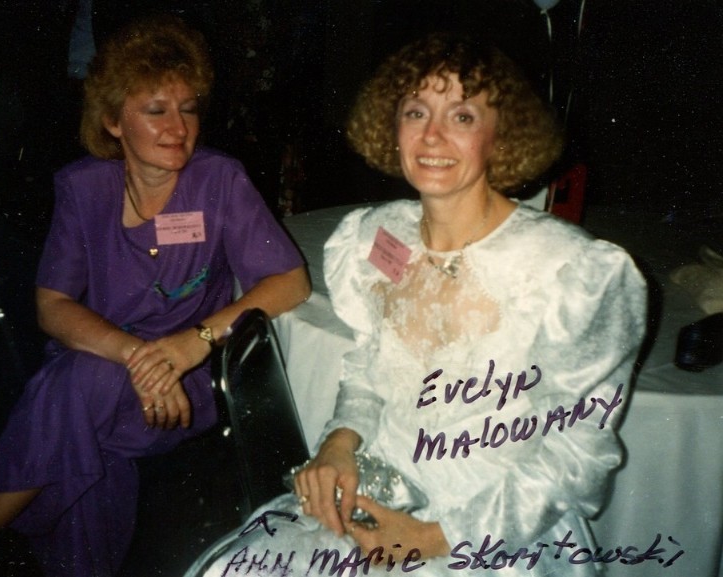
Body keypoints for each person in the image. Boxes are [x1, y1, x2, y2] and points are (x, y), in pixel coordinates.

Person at [191, 33, 646, 577]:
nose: (431, 135)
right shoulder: (375, 235)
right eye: (416, 112)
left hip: (495, 528)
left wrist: (431, 538)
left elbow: (577, 458)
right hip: (380, 488)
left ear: (501, 135)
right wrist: (340, 442)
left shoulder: (570, 271)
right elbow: (371, 372)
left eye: (462, 116)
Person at [0, 14, 310, 577]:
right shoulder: (83, 189)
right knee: (89, 414)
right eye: (156, 111)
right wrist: (137, 359)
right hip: (108, 363)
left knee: (76, 393)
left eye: (188, 109)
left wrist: (191, 344)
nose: (178, 127)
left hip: (184, 386)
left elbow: (290, 280)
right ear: (112, 122)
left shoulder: (219, 181)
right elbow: (52, 305)